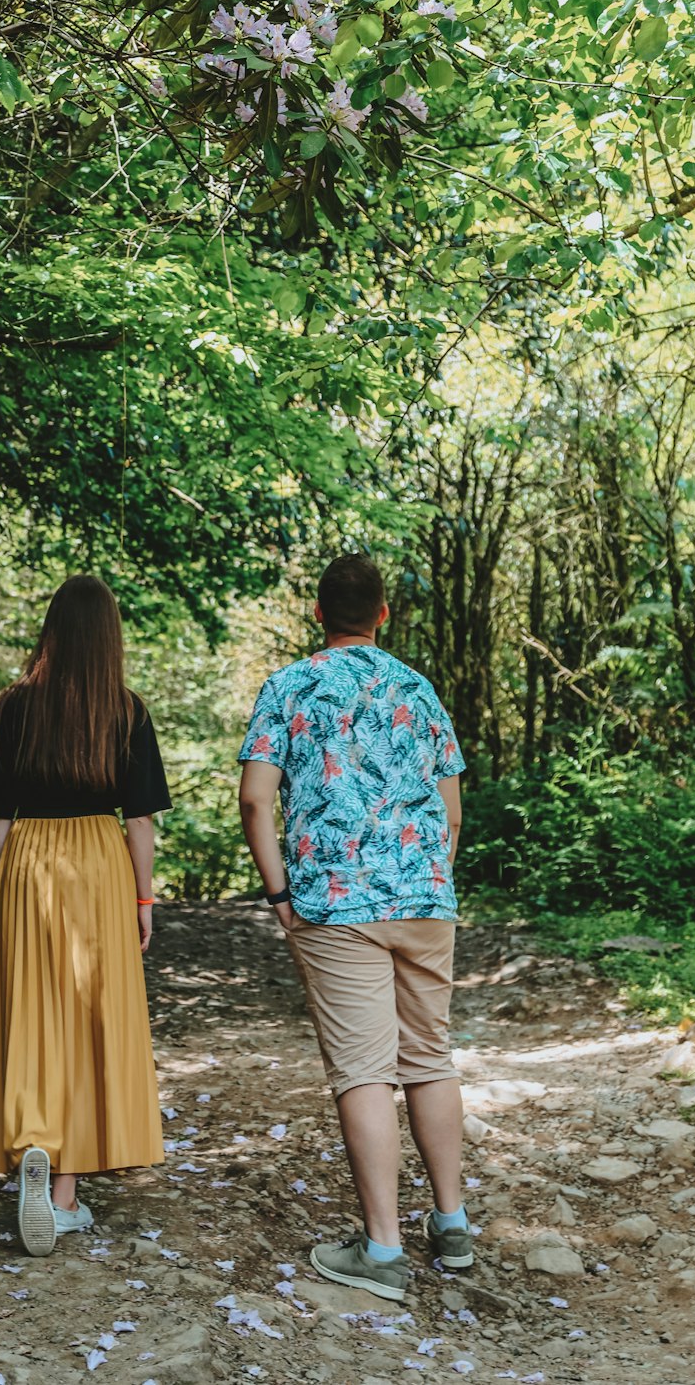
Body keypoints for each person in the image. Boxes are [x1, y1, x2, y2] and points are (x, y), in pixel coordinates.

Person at [238, 553, 468, 1301]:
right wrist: (425, 880)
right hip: (425, 895)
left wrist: (280, 893)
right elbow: (453, 811)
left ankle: (382, 1251)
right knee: (429, 1056)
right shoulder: (419, 689)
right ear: (383, 614)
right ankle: (452, 1224)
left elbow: (254, 798)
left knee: (364, 1069)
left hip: (336, 903)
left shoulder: (290, 685)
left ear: (317, 613)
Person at [0, 574, 170, 1256]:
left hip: (28, 859)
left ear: (51, 630)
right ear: (108, 639)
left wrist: (13, 883)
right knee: (88, 1019)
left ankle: (31, 1142)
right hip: (96, 863)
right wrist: (143, 900)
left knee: (31, 1011)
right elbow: (138, 820)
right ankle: (62, 1197)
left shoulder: (14, 707)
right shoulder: (127, 711)